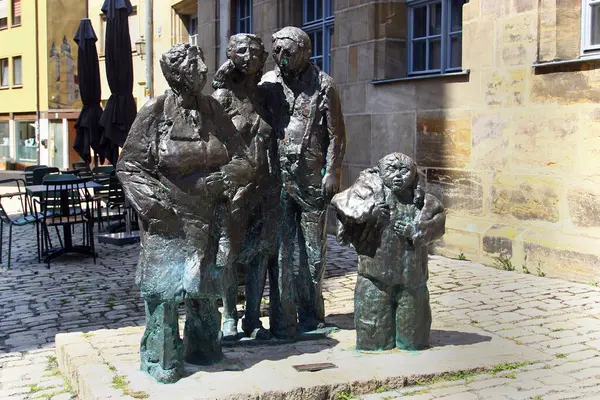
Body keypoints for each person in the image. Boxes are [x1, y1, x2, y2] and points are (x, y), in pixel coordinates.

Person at [116, 43, 251, 383]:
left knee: (204, 290)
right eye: (194, 66)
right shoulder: (155, 110)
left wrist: (228, 176)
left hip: (208, 218)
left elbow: (245, 158)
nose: (203, 70)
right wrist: (155, 207)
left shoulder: (213, 108)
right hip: (169, 220)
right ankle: (161, 359)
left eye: (202, 63)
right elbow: (129, 166)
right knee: (164, 293)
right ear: (175, 74)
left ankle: (204, 348)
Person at [260, 27, 346, 337]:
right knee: (282, 250)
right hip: (280, 178)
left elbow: (337, 134)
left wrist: (332, 172)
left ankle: (313, 315)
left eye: (287, 52)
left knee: (314, 252)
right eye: (277, 51)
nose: (280, 57)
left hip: (311, 180)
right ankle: (284, 320)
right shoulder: (270, 83)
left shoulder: (324, 85)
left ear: (305, 52)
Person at [331, 153, 446, 351]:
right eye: (392, 170)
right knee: (374, 339)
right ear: (380, 171)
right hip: (374, 277)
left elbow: (438, 224)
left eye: (404, 171)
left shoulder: (424, 202)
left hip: (412, 279)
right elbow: (342, 205)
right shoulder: (367, 191)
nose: (398, 176)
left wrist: (415, 230)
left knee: (412, 340)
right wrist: (370, 211)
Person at [212, 33, 279, 340]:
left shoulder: (267, 97)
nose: (250, 56)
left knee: (260, 252)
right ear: (232, 55)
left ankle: (253, 316)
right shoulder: (222, 98)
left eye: (255, 51)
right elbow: (210, 147)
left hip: (266, 187)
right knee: (227, 252)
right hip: (234, 190)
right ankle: (229, 315)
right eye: (242, 51)